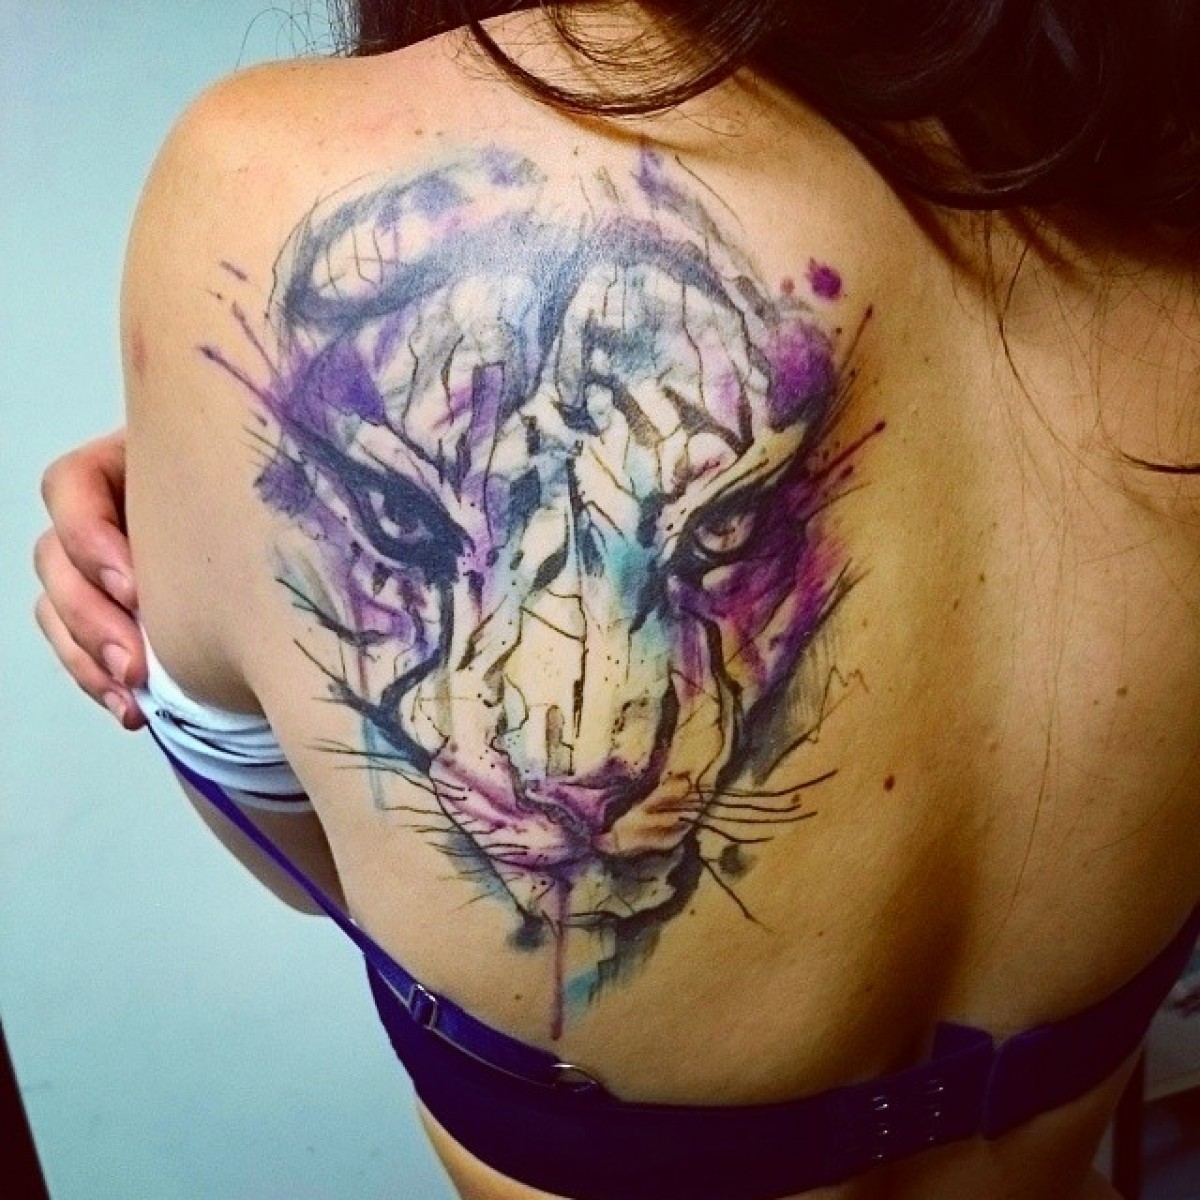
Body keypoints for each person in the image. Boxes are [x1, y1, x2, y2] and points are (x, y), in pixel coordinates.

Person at [32, 2, 1200, 1197]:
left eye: (726, 525)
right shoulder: (1154, 151)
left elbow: (302, 867)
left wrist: (196, 583)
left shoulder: (262, 174)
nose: (594, 760)